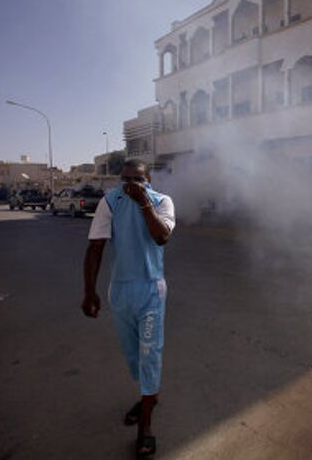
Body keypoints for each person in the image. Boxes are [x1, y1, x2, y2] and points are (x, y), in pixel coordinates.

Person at [82, 160, 175, 459]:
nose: (131, 184)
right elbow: (95, 247)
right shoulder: (110, 201)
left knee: (150, 354)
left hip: (151, 291)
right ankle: (149, 397)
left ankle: (145, 428)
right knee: (134, 356)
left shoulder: (162, 201)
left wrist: (144, 202)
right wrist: (89, 291)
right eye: (125, 179)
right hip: (120, 292)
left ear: (148, 180)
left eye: (138, 179)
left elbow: (162, 237)